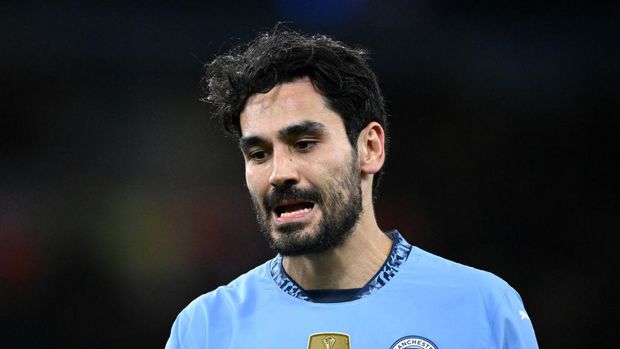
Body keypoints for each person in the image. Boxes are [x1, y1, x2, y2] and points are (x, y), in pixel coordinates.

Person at [165, 27, 538, 349]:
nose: (279, 173)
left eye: (304, 143)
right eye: (259, 153)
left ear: (370, 148)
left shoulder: (483, 310)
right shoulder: (205, 330)